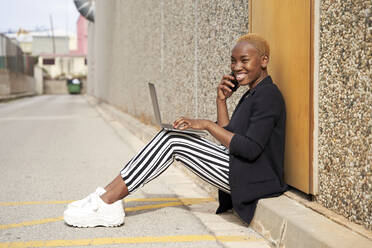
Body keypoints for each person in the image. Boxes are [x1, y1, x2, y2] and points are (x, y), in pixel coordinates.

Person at [63, 33, 288, 228]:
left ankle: (108, 202)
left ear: (264, 60)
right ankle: (105, 195)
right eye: (233, 61)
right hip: (240, 168)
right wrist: (221, 101)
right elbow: (228, 138)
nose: (237, 67)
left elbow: (249, 149)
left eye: (244, 60)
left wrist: (207, 124)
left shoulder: (268, 96)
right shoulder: (252, 94)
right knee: (171, 136)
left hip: (253, 177)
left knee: (173, 141)